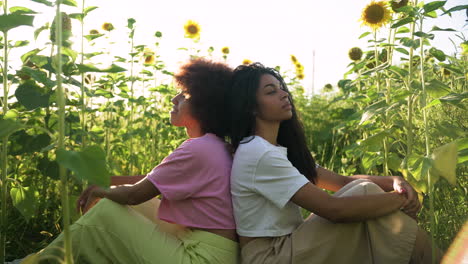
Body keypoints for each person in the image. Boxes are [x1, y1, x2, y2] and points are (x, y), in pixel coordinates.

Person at [225, 62, 439, 264]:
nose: (284, 94)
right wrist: (401, 200)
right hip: (271, 256)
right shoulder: (258, 152)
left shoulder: (273, 150)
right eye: (271, 91)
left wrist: (394, 181)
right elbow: (334, 210)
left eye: (282, 88)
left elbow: (341, 181)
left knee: (361, 190)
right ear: (250, 107)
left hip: (288, 246)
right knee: (365, 193)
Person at [35, 59, 239, 264]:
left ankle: (41, 261)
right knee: (128, 203)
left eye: (184, 95)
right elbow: (153, 180)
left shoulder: (200, 148)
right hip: (214, 250)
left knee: (106, 212)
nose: (174, 100)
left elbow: (134, 195)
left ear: (205, 106)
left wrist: (99, 191)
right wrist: (108, 181)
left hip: (202, 258)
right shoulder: (213, 146)